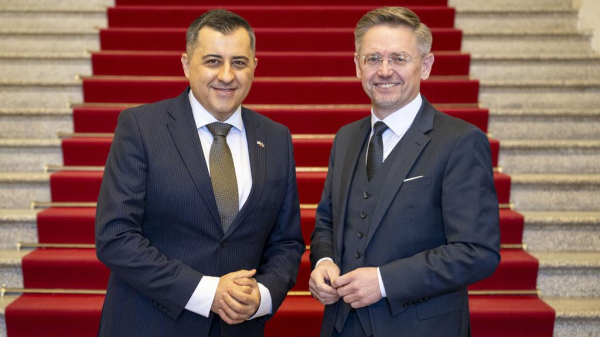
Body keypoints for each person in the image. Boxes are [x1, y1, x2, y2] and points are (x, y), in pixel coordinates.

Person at [95, 9, 304, 336]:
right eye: (212, 61)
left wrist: (262, 296)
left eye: (238, 62)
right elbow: (115, 236)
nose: (226, 75)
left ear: (254, 67)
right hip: (150, 324)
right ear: (185, 64)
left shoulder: (276, 138)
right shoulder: (141, 127)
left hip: (239, 328)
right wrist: (206, 292)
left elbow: (287, 242)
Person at [309, 7, 501, 337]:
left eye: (399, 58)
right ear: (358, 66)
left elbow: (477, 252)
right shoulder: (346, 138)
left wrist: (384, 282)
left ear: (425, 66)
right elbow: (327, 220)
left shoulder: (460, 142)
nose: (385, 71)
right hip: (342, 325)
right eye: (373, 59)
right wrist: (323, 263)